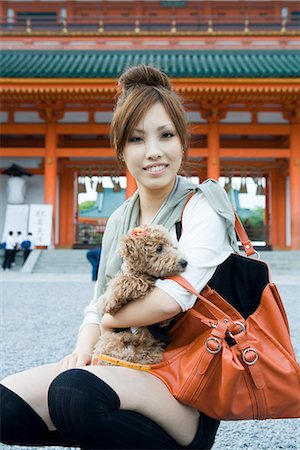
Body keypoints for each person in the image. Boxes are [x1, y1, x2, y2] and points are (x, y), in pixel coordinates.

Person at [0, 65, 239, 449]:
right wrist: (82, 353)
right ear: (121, 149)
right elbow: (97, 305)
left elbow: (169, 301)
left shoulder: (203, 206)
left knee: (75, 395)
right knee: (8, 407)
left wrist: (110, 318)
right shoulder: (119, 218)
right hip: (124, 365)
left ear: (183, 141)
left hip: (185, 383)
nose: (154, 152)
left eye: (166, 135)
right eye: (137, 139)